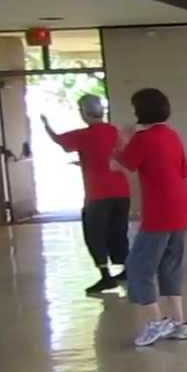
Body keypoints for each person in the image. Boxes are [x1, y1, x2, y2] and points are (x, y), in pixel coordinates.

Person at [112, 88, 187, 347]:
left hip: (159, 212)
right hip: (180, 208)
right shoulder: (173, 135)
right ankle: (179, 324)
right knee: (170, 265)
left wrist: (123, 141)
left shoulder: (143, 139)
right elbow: (182, 170)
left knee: (138, 267)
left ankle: (155, 322)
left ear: (140, 111)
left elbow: (121, 164)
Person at [41, 95, 131, 295]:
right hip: (121, 192)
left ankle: (106, 277)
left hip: (98, 195)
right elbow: (112, 154)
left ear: (84, 112)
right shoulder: (114, 131)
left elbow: (58, 140)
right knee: (118, 231)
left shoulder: (84, 134)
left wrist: (46, 125)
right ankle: (126, 270)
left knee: (94, 234)